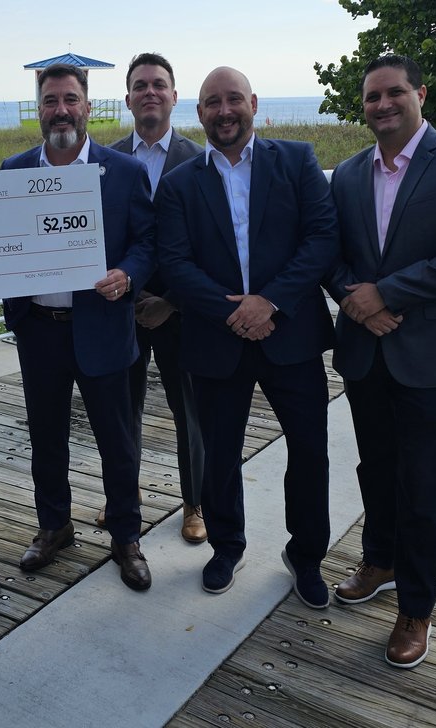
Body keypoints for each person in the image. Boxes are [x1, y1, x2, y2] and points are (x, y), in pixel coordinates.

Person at [326, 54, 436, 668]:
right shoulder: (347, 174)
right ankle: (381, 560)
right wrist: (356, 300)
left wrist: (387, 293)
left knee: (422, 483)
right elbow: (331, 254)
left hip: (430, 350)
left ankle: (416, 609)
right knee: (374, 468)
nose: (382, 105)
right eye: (372, 97)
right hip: (364, 349)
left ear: (420, 94)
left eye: (394, 93)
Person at [157, 67, 338, 607]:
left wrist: (270, 302)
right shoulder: (179, 183)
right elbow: (174, 262)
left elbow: (322, 237)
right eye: (212, 102)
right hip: (217, 340)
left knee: (309, 453)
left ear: (254, 103)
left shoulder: (299, 160)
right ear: (200, 114)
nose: (224, 110)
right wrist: (231, 311)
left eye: (233, 99)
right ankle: (226, 546)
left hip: (291, 336)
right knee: (218, 454)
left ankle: (306, 556)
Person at [0, 63, 156, 590]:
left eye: (70, 99)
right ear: (39, 109)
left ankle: (126, 536)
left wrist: (127, 274)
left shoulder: (125, 172)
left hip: (103, 325)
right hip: (39, 327)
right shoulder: (12, 171)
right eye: (50, 101)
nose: (60, 110)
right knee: (46, 436)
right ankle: (54, 525)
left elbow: (146, 244)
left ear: (89, 106)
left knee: (118, 439)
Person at [107, 52, 206, 543]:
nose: (150, 92)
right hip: (122, 307)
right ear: (128, 98)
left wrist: (170, 300)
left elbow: (210, 244)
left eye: (159, 85)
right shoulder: (105, 160)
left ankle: (195, 503)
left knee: (188, 410)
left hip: (180, 310)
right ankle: (126, 496)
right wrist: (131, 291)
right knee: (123, 408)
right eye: (140, 85)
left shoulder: (200, 159)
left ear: (173, 95)